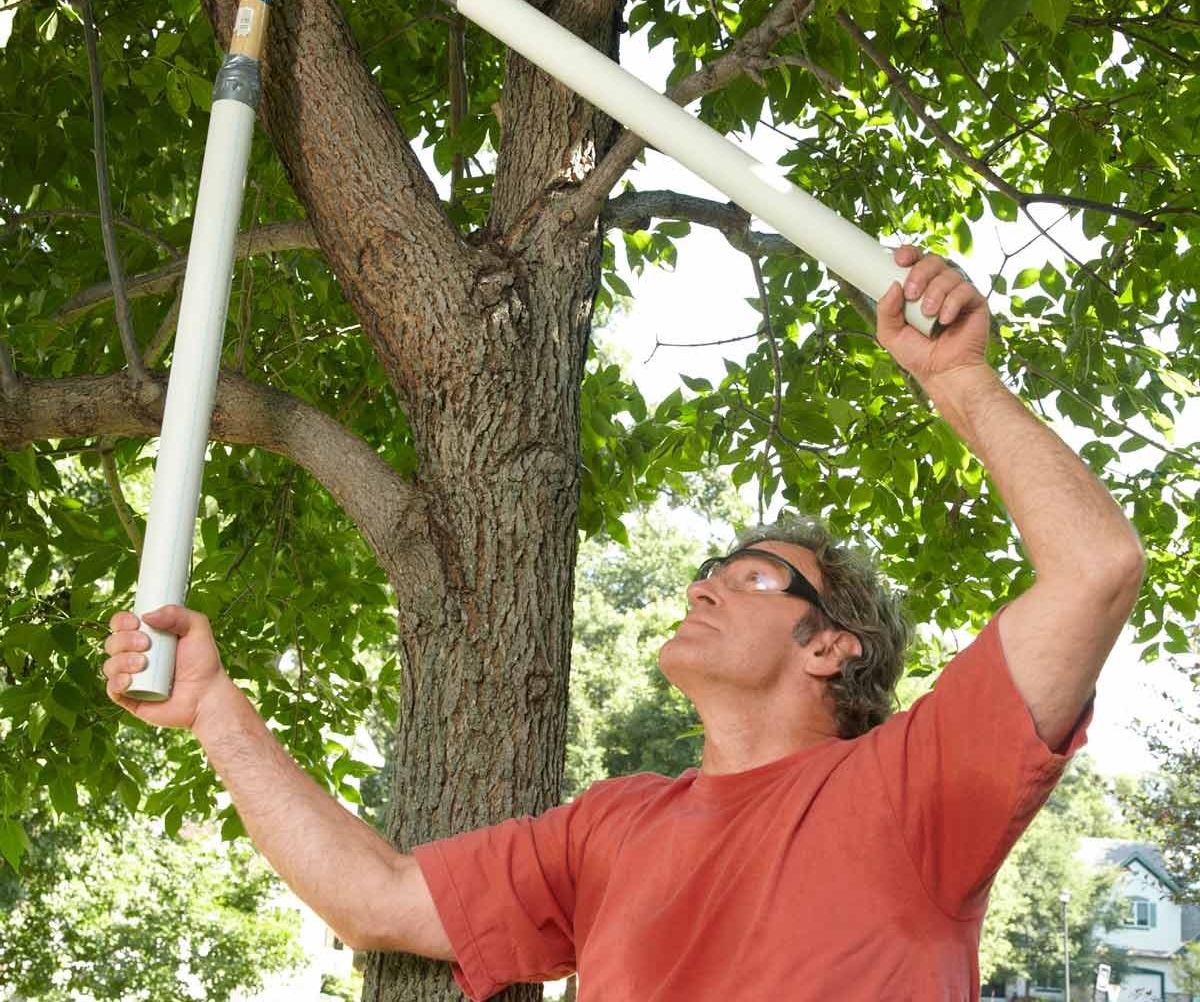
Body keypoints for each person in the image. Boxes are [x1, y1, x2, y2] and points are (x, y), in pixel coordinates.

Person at [102, 246, 1145, 1000]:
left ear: (832, 645)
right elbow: (378, 897)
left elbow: (1096, 567)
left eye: (754, 576)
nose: (705, 585)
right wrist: (213, 711)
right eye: (708, 568)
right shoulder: (614, 824)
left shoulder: (912, 789)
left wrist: (959, 377)